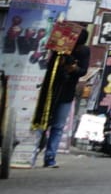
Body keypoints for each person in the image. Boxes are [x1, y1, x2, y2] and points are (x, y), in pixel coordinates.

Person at [32, 24, 89, 168]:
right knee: (41, 122)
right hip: (49, 90)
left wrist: (73, 68)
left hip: (67, 92)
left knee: (58, 126)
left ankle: (50, 158)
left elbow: (83, 71)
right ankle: (30, 155)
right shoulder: (57, 49)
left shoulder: (83, 52)